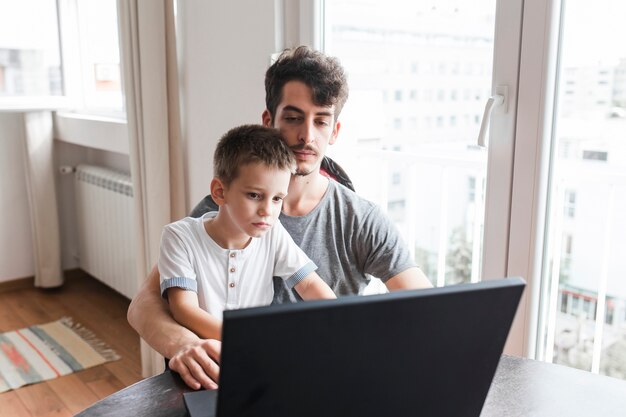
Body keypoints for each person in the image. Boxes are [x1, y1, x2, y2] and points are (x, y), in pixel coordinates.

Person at [127, 45, 433, 390]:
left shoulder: (361, 219)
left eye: (321, 120)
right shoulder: (220, 212)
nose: (307, 136)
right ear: (269, 122)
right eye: (293, 117)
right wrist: (182, 343)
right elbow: (143, 305)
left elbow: (425, 309)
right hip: (237, 381)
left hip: (325, 382)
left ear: (334, 131)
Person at [158, 124, 336, 341]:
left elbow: (309, 284)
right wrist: (245, 341)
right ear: (219, 192)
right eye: (254, 195)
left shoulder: (273, 234)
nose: (267, 211)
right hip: (203, 357)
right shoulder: (179, 237)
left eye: (277, 198)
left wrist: (339, 319)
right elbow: (184, 309)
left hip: (256, 354)